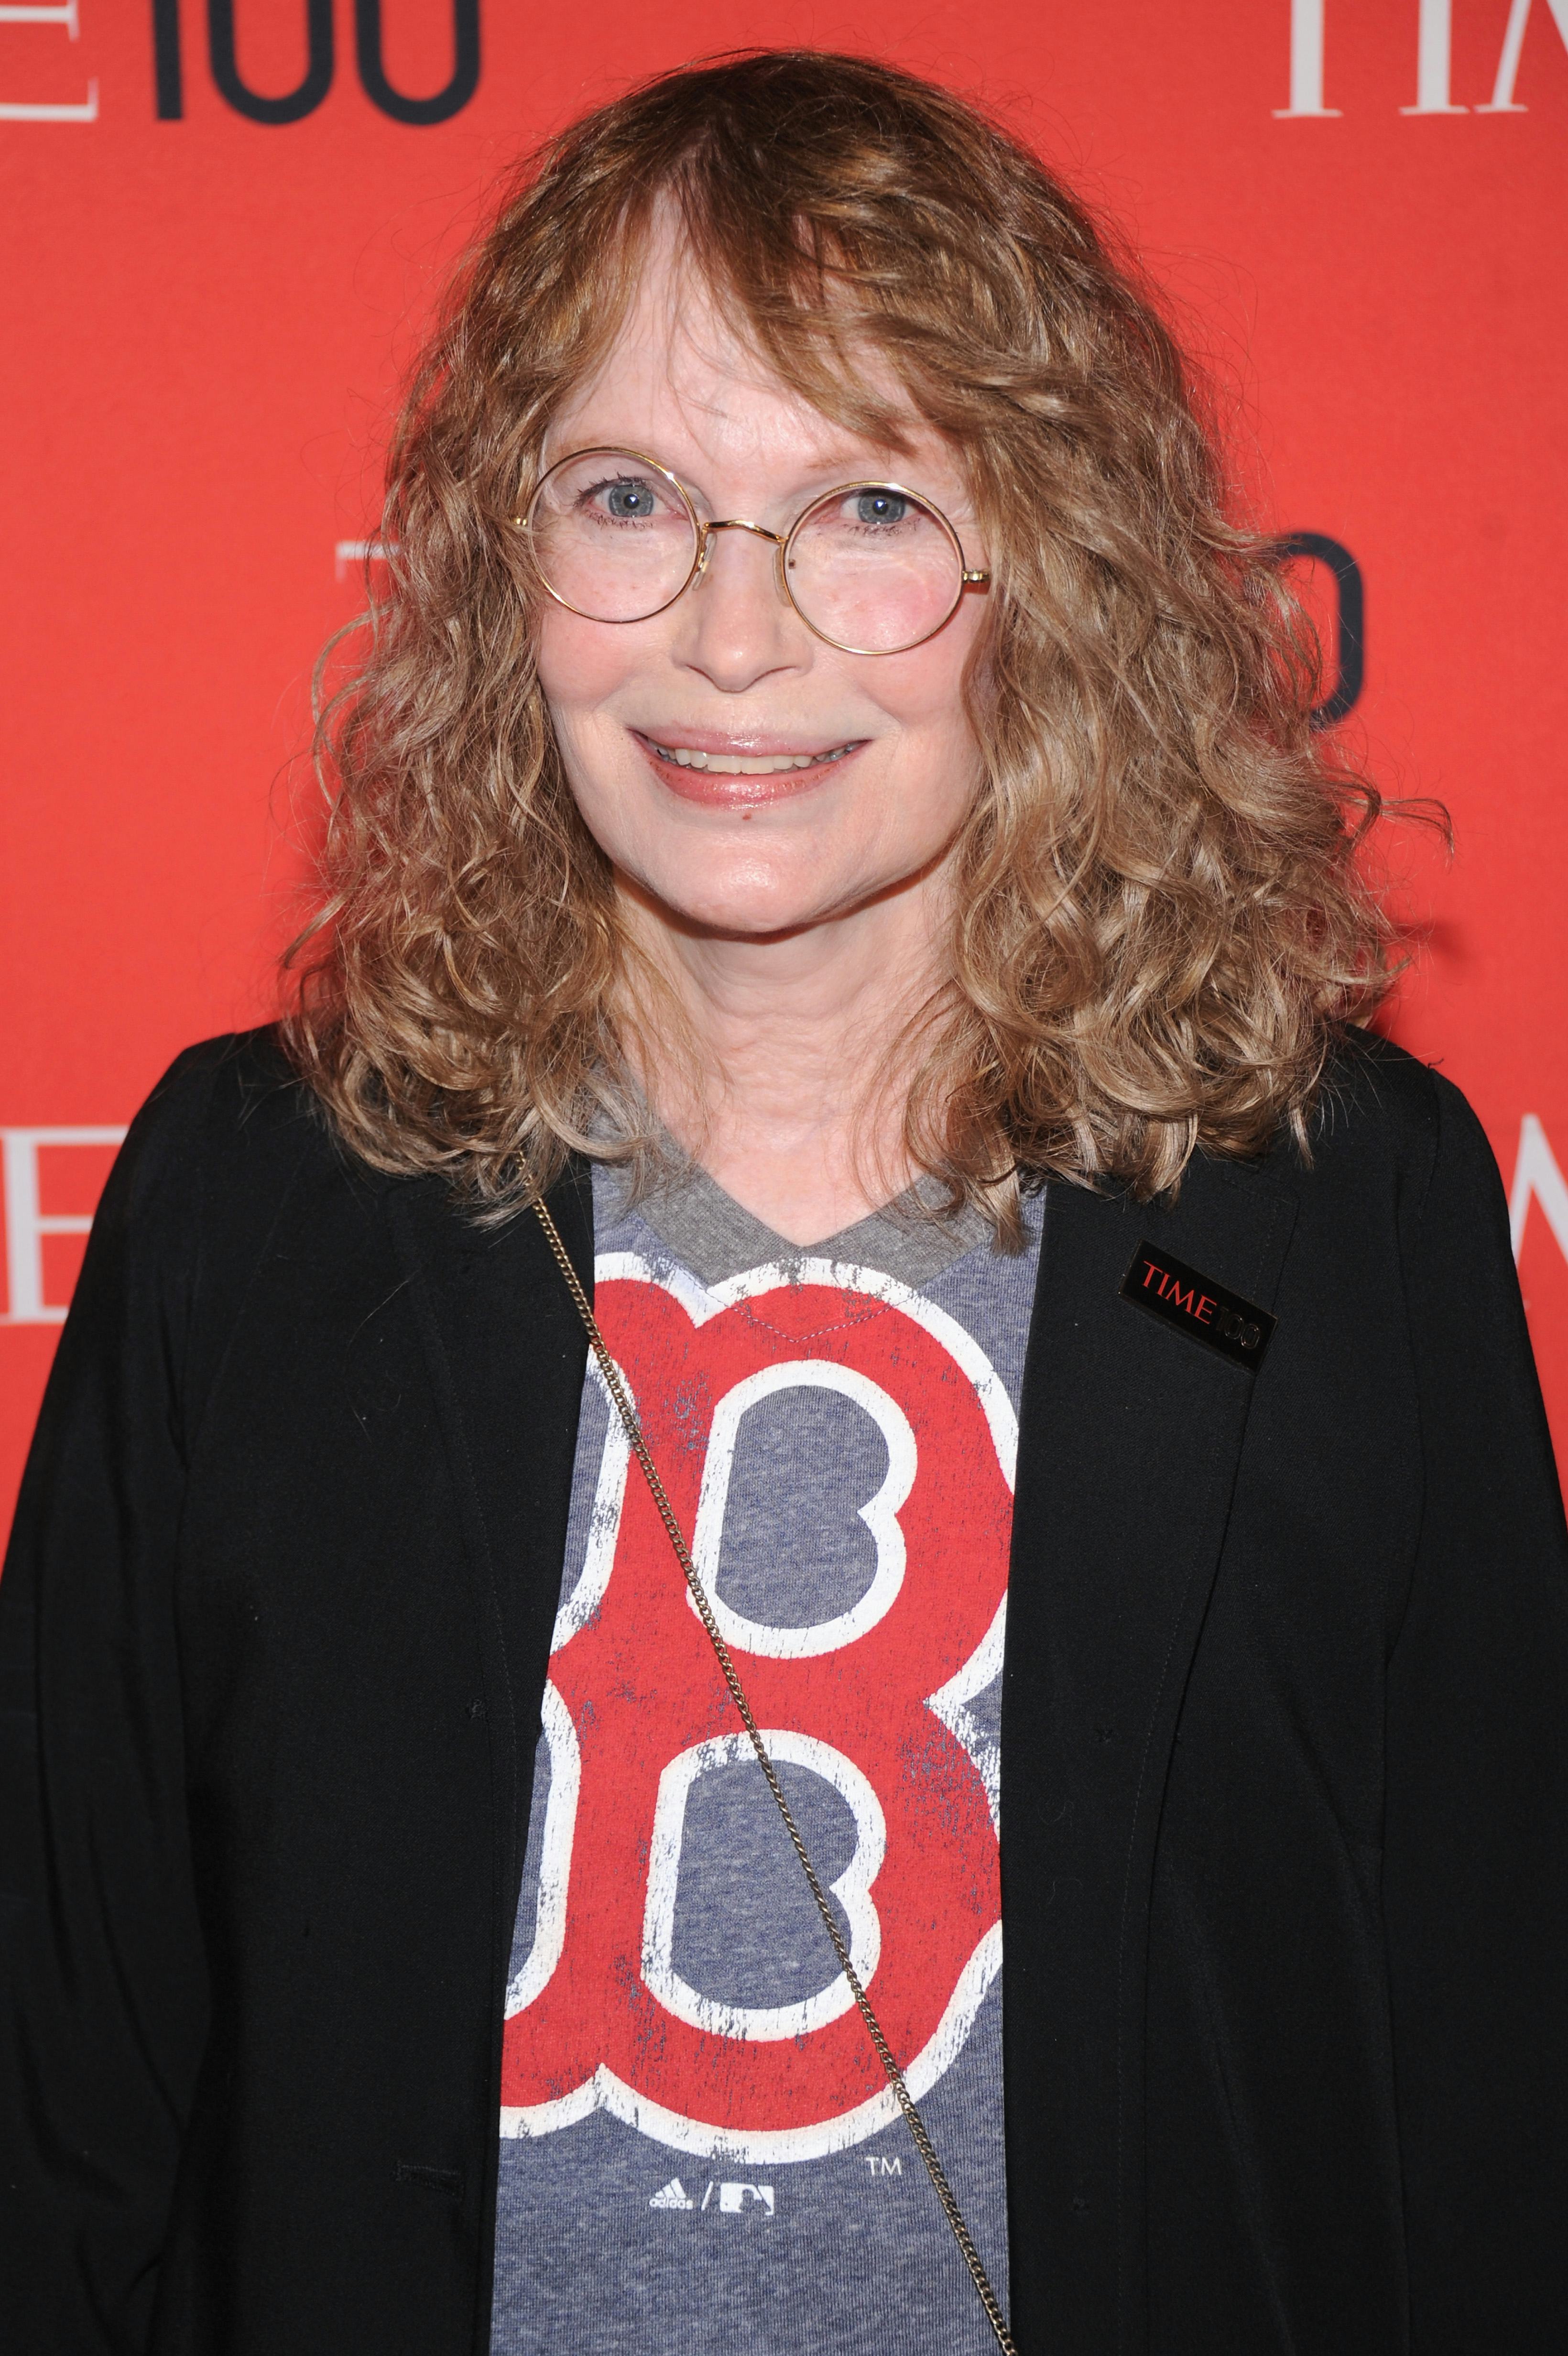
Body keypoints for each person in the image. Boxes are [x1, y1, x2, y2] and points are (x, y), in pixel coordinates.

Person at [2, 46, 1565, 2356]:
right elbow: (68, 2086)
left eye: (865, 507)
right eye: (630, 495)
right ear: (504, 564)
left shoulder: (1337, 1205)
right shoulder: (257, 1194)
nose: (731, 639)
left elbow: (1494, 2074)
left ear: (1051, 574)